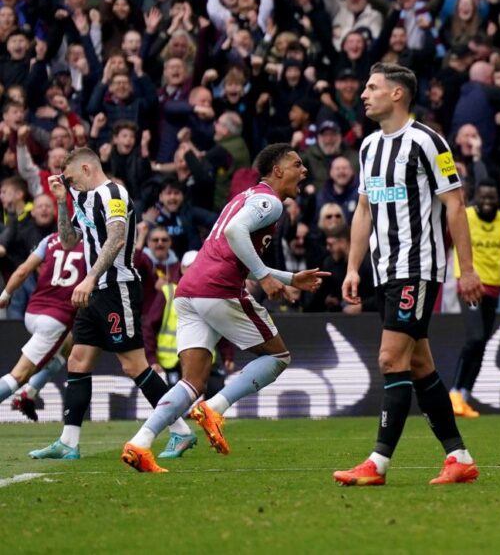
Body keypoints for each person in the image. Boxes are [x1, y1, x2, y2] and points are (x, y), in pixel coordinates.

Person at [121, 143, 329, 473]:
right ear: (277, 171)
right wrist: (264, 276)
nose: (303, 171)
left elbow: (231, 245)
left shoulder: (244, 198)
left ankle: (140, 443)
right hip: (218, 289)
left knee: (192, 382)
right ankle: (215, 408)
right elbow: (235, 234)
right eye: (297, 165)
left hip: (189, 290)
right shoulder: (269, 202)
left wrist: (289, 277)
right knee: (278, 357)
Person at [334, 63, 484, 487]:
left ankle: (377, 463)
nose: (364, 93)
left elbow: (456, 204)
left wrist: (466, 269)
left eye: (372, 86)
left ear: (397, 94)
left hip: (418, 267)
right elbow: (364, 210)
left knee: (389, 358)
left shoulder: (428, 142)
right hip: (385, 271)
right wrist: (352, 267)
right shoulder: (367, 148)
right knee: (418, 364)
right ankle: (459, 458)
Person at [29, 148, 197, 460]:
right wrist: (62, 201)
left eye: (70, 179)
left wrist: (90, 277)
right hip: (93, 291)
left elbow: (118, 238)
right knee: (77, 361)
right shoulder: (81, 198)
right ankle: (68, 442)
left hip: (116, 287)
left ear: (86, 168)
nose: (69, 184)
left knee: (134, 365)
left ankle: (181, 431)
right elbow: (67, 241)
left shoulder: (113, 193)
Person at [449, 180, 500, 418]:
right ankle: (454, 394)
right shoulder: (465, 216)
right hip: (470, 285)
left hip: (494, 286)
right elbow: (450, 244)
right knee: (475, 336)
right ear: (475, 199)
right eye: (483, 198)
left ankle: (465, 397)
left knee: (482, 344)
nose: (488, 203)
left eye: (492, 198)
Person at [0, 233, 84, 422]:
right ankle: (27, 392)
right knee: (19, 375)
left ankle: (30, 393)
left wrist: (5, 295)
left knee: (69, 344)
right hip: (54, 320)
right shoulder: (93, 246)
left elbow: (23, 271)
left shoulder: (51, 239)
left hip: (33, 312)